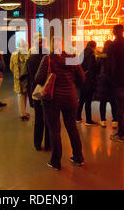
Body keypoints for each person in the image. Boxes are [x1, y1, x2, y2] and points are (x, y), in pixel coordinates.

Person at [35, 36, 85, 170]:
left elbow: (38, 79)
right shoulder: (71, 58)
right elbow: (82, 78)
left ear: (51, 45)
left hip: (52, 100)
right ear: (62, 45)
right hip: (70, 98)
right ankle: (78, 157)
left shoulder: (48, 59)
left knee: (55, 130)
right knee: (72, 128)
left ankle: (56, 162)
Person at [25, 35, 51, 151]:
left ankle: (37, 143)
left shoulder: (31, 58)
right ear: (45, 44)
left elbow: (30, 77)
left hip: (35, 90)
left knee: (39, 117)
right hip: (48, 90)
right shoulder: (49, 58)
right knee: (49, 118)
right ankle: (48, 144)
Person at [77, 41, 98, 126]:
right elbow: (92, 69)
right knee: (88, 101)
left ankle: (77, 117)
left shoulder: (83, 53)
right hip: (89, 81)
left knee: (82, 99)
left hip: (82, 80)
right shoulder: (91, 55)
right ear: (93, 46)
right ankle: (88, 120)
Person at [10, 39, 30, 120]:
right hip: (25, 77)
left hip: (17, 78)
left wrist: (15, 74)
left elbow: (11, 67)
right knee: (24, 95)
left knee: (20, 95)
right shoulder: (27, 54)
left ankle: (23, 112)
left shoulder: (13, 54)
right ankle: (23, 114)